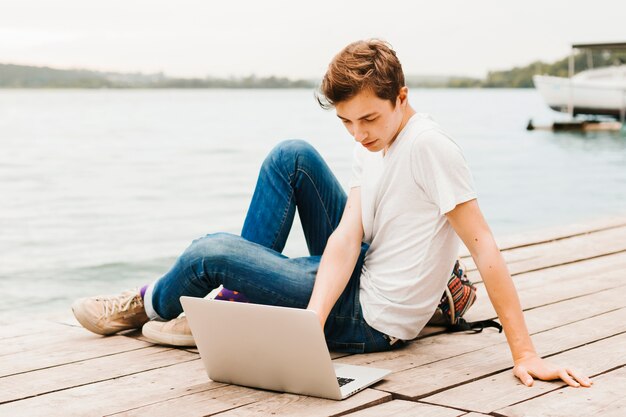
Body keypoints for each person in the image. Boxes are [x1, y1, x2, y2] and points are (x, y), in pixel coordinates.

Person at [72, 39, 592, 388]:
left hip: (373, 318)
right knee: (291, 155)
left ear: (401, 97)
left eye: (369, 118)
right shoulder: (371, 140)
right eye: (347, 121)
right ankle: (236, 300)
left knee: (208, 251)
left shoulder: (431, 148)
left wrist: (524, 354)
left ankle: (148, 305)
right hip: (357, 274)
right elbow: (347, 235)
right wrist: (310, 324)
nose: (359, 133)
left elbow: (483, 245)